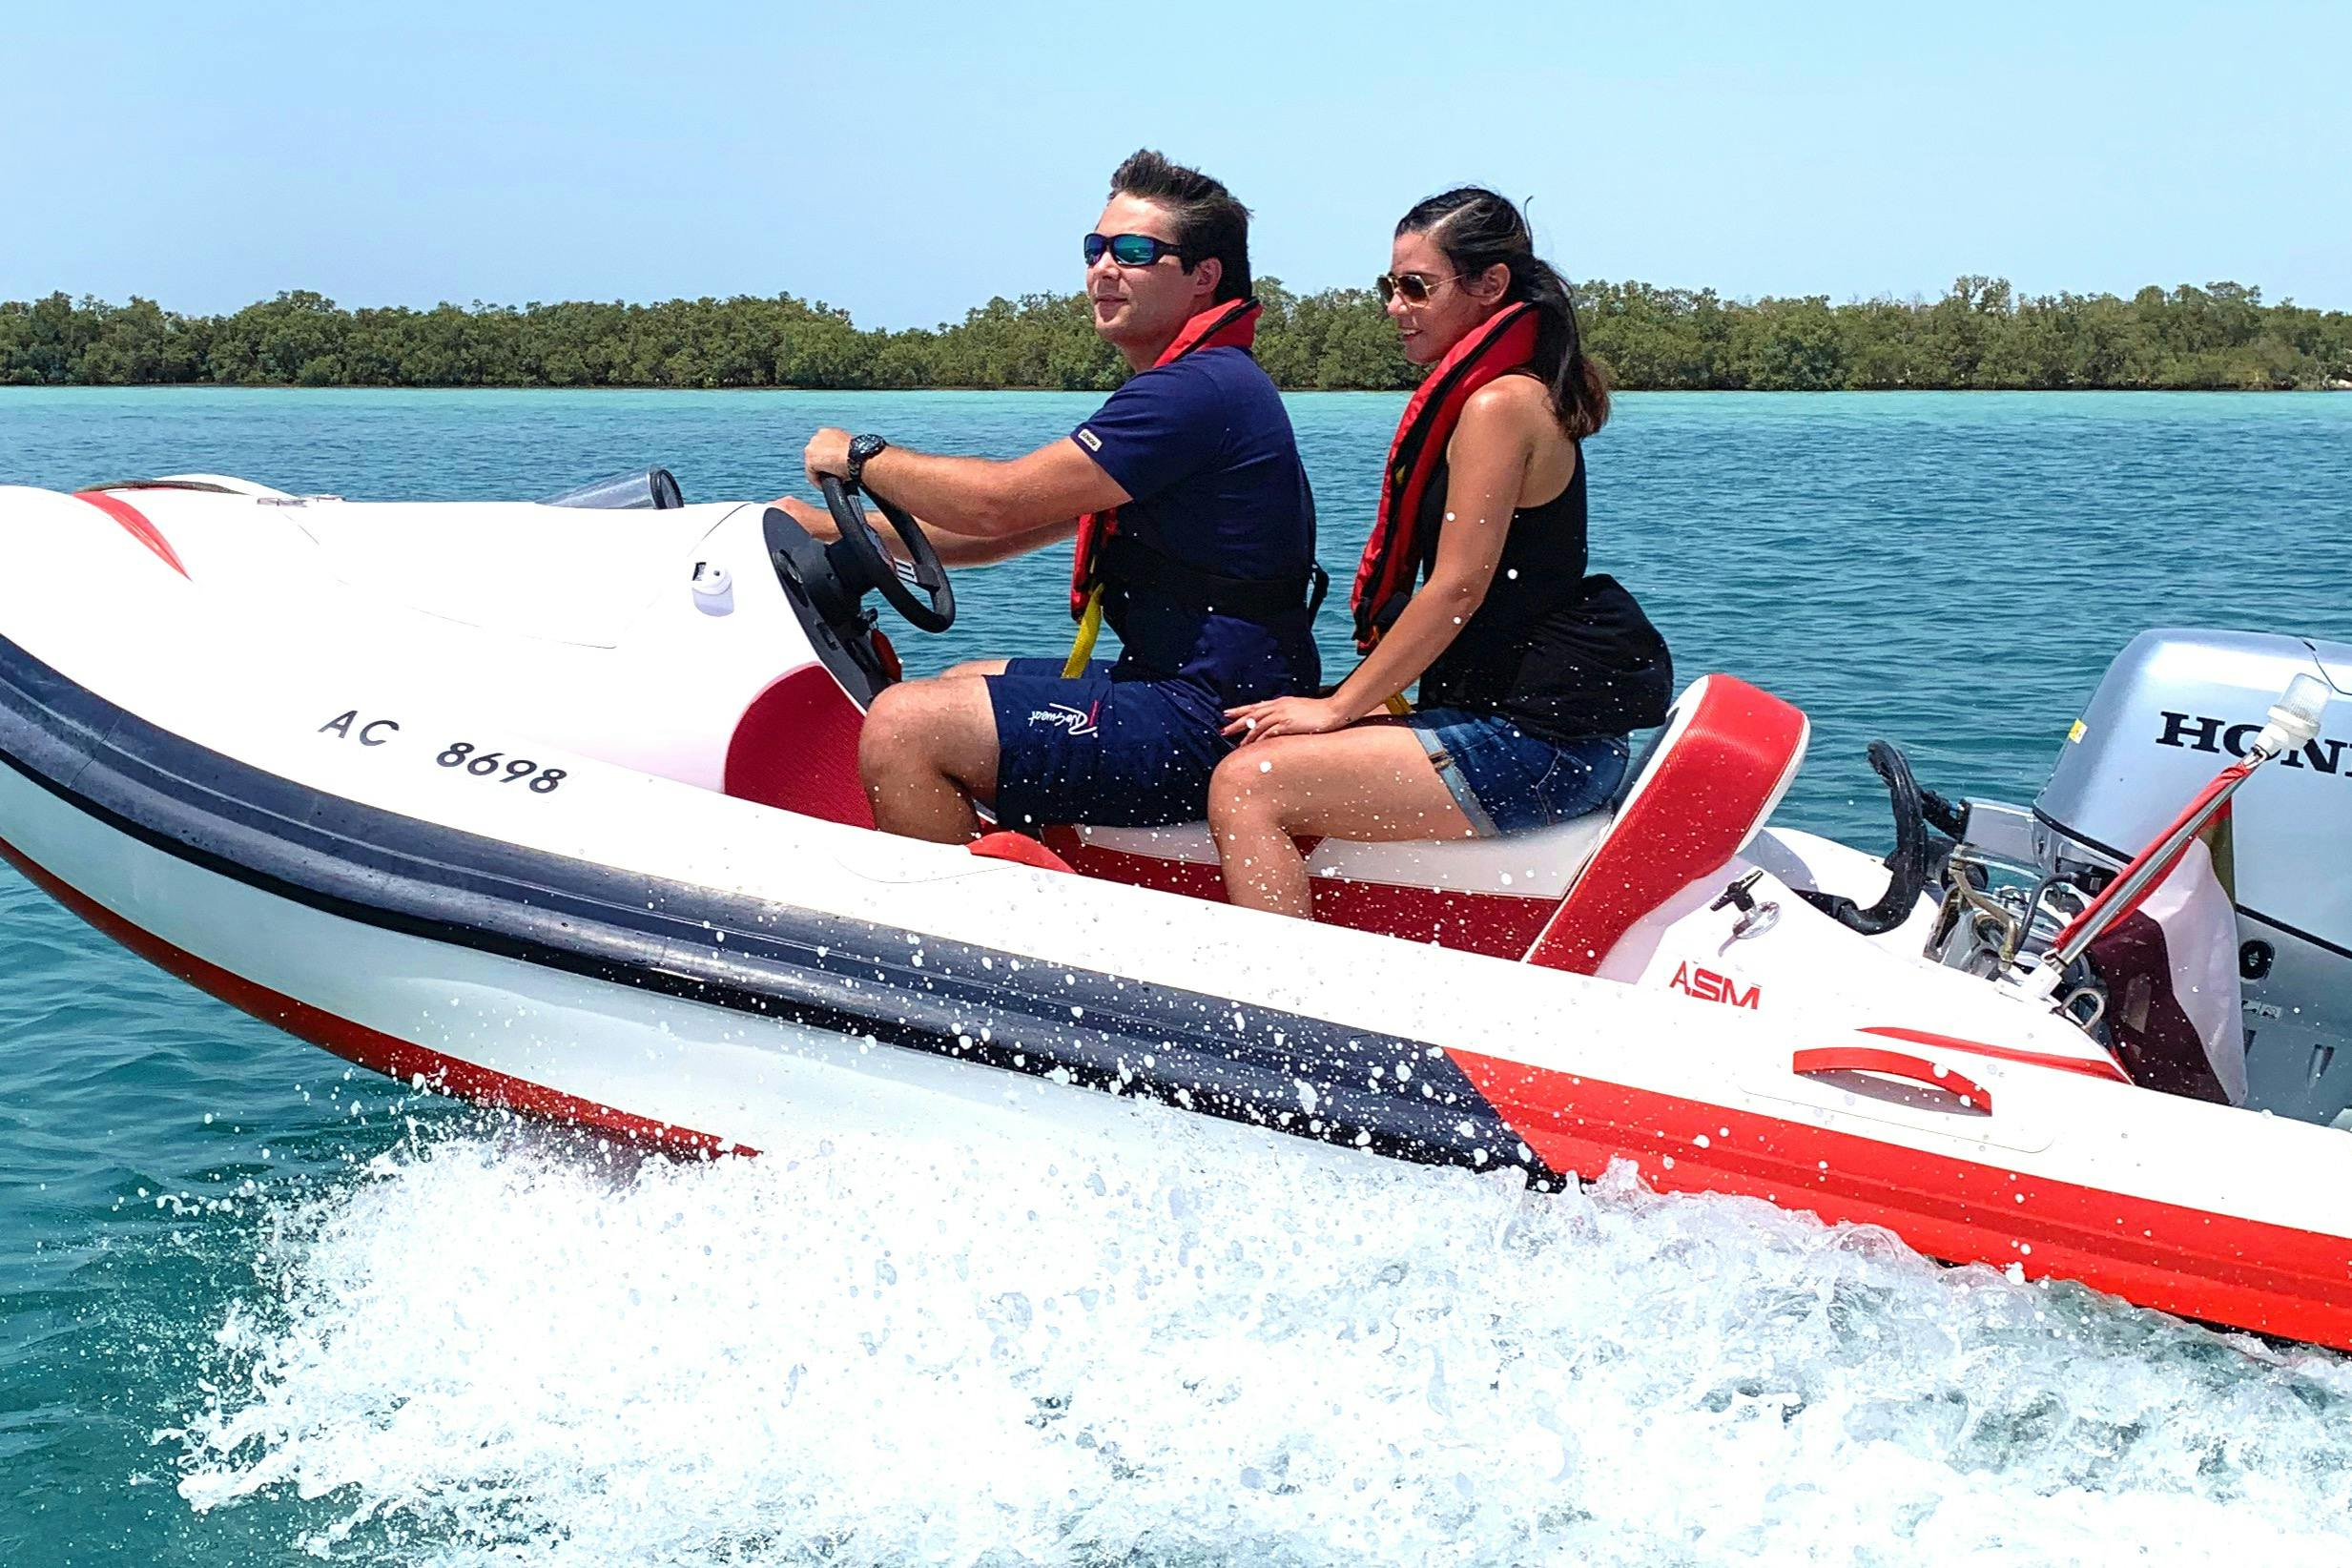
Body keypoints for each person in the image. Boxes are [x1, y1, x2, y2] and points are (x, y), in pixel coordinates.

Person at [788, 150, 1320, 843]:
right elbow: (1005, 532)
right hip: (1194, 686)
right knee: (963, 678)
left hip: (1209, 715)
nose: (1104, 267)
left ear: (1203, 277)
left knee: (906, 725)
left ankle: (959, 941)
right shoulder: (1202, 383)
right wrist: (831, 529)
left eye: (1133, 250)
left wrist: (860, 459)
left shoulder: (1194, 392)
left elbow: (997, 502)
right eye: (1094, 247)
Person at [1207, 187, 1672, 918]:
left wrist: (1337, 711)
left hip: (1540, 745)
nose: (1396, 305)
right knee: (1258, 737)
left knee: (1249, 782)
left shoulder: (1499, 406)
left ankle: (1279, 1021)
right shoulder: (1515, 393)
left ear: (1490, 287)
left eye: (1416, 287)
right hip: (1535, 726)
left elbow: (1456, 589)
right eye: (1390, 287)